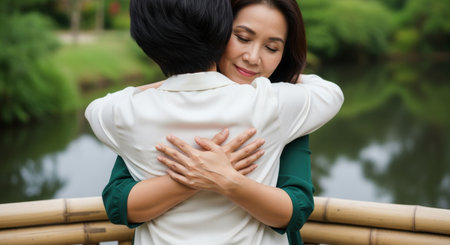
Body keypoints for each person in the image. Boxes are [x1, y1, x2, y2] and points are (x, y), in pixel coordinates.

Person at [85, 0, 343, 244]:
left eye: (272, 48)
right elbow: (118, 203)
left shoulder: (129, 112)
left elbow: (296, 209)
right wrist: (204, 173)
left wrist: (230, 181)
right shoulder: (276, 106)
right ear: (217, 32)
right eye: (242, 38)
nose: (253, 58)